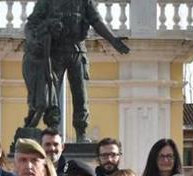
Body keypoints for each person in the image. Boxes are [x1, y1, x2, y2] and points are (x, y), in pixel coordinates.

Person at [23, 0, 130, 140]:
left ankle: (81, 132)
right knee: (52, 93)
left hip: (78, 51)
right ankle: (52, 130)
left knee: (80, 93)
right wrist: (34, 41)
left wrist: (113, 40)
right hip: (55, 52)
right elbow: (32, 24)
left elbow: (96, 21)